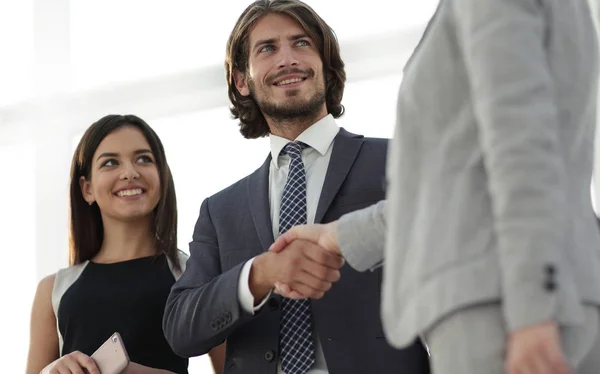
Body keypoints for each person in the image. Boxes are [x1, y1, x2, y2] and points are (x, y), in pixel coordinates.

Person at [270, 0, 600, 373]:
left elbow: (522, 150)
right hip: (547, 296)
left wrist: (533, 308)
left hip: (502, 310)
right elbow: (466, 194)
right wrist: (339, 235)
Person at [162, 1, 430, 373]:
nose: (287, 59)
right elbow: (180, 327)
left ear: (326, 64)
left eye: (301, 43)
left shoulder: (397, 161)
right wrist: (259, 274)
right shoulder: (221, 210)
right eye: (267, 48)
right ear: (242, 80)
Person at [25, 114, 225, 374]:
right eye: (110, 163)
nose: (129, 173)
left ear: (162, 178)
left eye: (143, 159)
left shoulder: (195, 274)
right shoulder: (53, 291)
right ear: (87, 189)